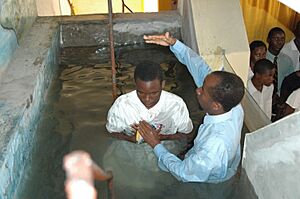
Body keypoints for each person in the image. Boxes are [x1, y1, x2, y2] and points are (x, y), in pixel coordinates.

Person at [141, 32, 245, 183]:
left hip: (209, 185)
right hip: (216, 164)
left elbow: (184, 174)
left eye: (202, 90)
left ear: (215, 106)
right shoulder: (233, 104)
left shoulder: (213, 145)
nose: (198, 89)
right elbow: (200, 68)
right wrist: (175, 44)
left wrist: (155, 144)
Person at [106, 60, 193, 143]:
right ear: (135, 83)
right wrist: (130, 139)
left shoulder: (176, 105)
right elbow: (111, 133)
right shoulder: (122, 105)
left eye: (154, 93)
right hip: (131, 149)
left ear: (162, 84)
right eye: (141, 92)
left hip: (166, 150)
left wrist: (161, 137)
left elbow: (187, 134)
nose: (147, 99)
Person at [266, 27, 294, 94]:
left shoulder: (287, 60)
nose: (279, 42)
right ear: (268, 40)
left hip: (279, 98)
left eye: (282, 39)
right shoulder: (262, 58)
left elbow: (290, 82)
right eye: (276, 38)